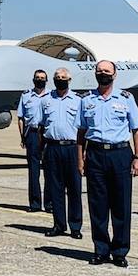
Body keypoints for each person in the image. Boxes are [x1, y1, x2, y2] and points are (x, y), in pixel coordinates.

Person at [77, 60, 138, 267]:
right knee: (97, 206)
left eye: (107, 71)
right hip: (96, 154)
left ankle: (120, 252)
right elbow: (81, 132)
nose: (103, 74)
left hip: (120, 154)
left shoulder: (125, 98)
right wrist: (80, 159)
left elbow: (137, 129)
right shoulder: (86, 100)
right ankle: (101, 250)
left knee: (121, 205)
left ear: (115, 75)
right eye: (99, 71)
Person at [40, 68, 83, 239]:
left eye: (63, 77)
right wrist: (42, 149)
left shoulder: (78, 101)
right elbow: (41, 126)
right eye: (57, 77)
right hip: (52, 147)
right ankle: (59, 224)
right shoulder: (46, 100)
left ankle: (75, 226)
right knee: (55, 188)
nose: (60, 80)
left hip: (71, 148)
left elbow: (82, 128)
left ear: (70, 79)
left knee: (74, 188)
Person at [17, 70, 50, 212]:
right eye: (37, 78)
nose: (40, 80)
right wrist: (22, 137)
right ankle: (35, 204)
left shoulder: (52, 96)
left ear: (47, 80)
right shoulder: (26, 96)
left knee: (50, 170)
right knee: (33, 170)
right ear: (33, 79)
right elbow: (20, 118)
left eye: (42, 78)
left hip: (47, 134)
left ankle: (50, 204)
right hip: (32, 133)